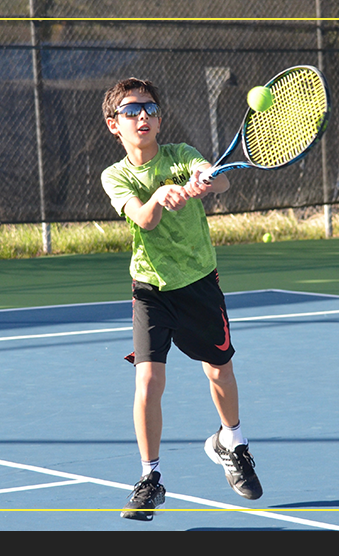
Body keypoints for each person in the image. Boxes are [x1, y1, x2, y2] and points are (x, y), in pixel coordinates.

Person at [101, 77, 262, 522]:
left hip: (198, 282)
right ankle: (150, 479)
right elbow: (143, 219)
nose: (144, 117)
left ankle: (233, 441)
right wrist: (157, 195)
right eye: (132, 111)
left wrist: (204, 181)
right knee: (148, 383)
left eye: (150, 108)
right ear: (115, 125)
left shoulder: (181, 154)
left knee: (220, 372)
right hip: (150, 291)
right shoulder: (115, 175)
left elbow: (220, 181)